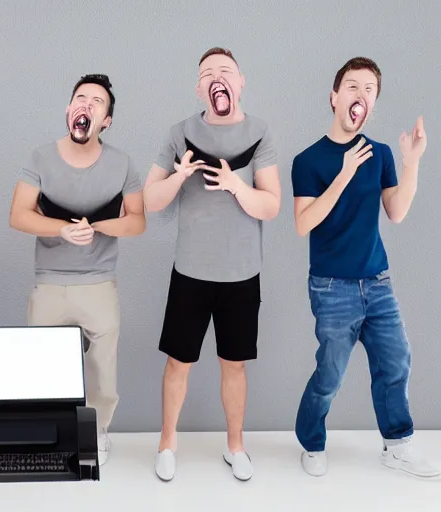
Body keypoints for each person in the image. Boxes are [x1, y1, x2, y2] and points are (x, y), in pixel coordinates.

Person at [291, 56, 440, 478]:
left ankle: (398, 444)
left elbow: (396, 212)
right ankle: (312, 442)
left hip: (377, 283)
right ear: (334, 97)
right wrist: (342, 175)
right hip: (331, 287)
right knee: (332, 372)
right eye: (353, 86)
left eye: (370, 89)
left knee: (396, 361)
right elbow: (303, 223)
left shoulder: (381, 155)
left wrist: (411, 161)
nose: (361, 94)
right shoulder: (308, 160)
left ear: (373, 104)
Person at [144, 47, 281, 482]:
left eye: (225, 72)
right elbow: (149, 200)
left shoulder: (261, 132)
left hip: (242, 274)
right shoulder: (179, 133)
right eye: (207, 73)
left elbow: (272, 205)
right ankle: (167, 445)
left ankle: (235, 447)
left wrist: (237, 187)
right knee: (177, 364)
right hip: (190, 272)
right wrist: (179, 176)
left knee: (233, 364)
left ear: (240, 84)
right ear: (200, 88)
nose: (216, 78)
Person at [9, 73, 145, 465]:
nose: (86, 104)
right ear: (69, 110)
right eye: (80, 98)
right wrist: (64, 231)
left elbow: (137, 221)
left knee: (103, 367)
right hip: (49, 283)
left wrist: (99, 227)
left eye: (97, 102)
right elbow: (18, 215)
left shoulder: (121, 164)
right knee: (43, 368)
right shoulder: (40, 157)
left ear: (107, 121)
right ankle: (49, 434)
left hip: (99, 283)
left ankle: (98, 431)